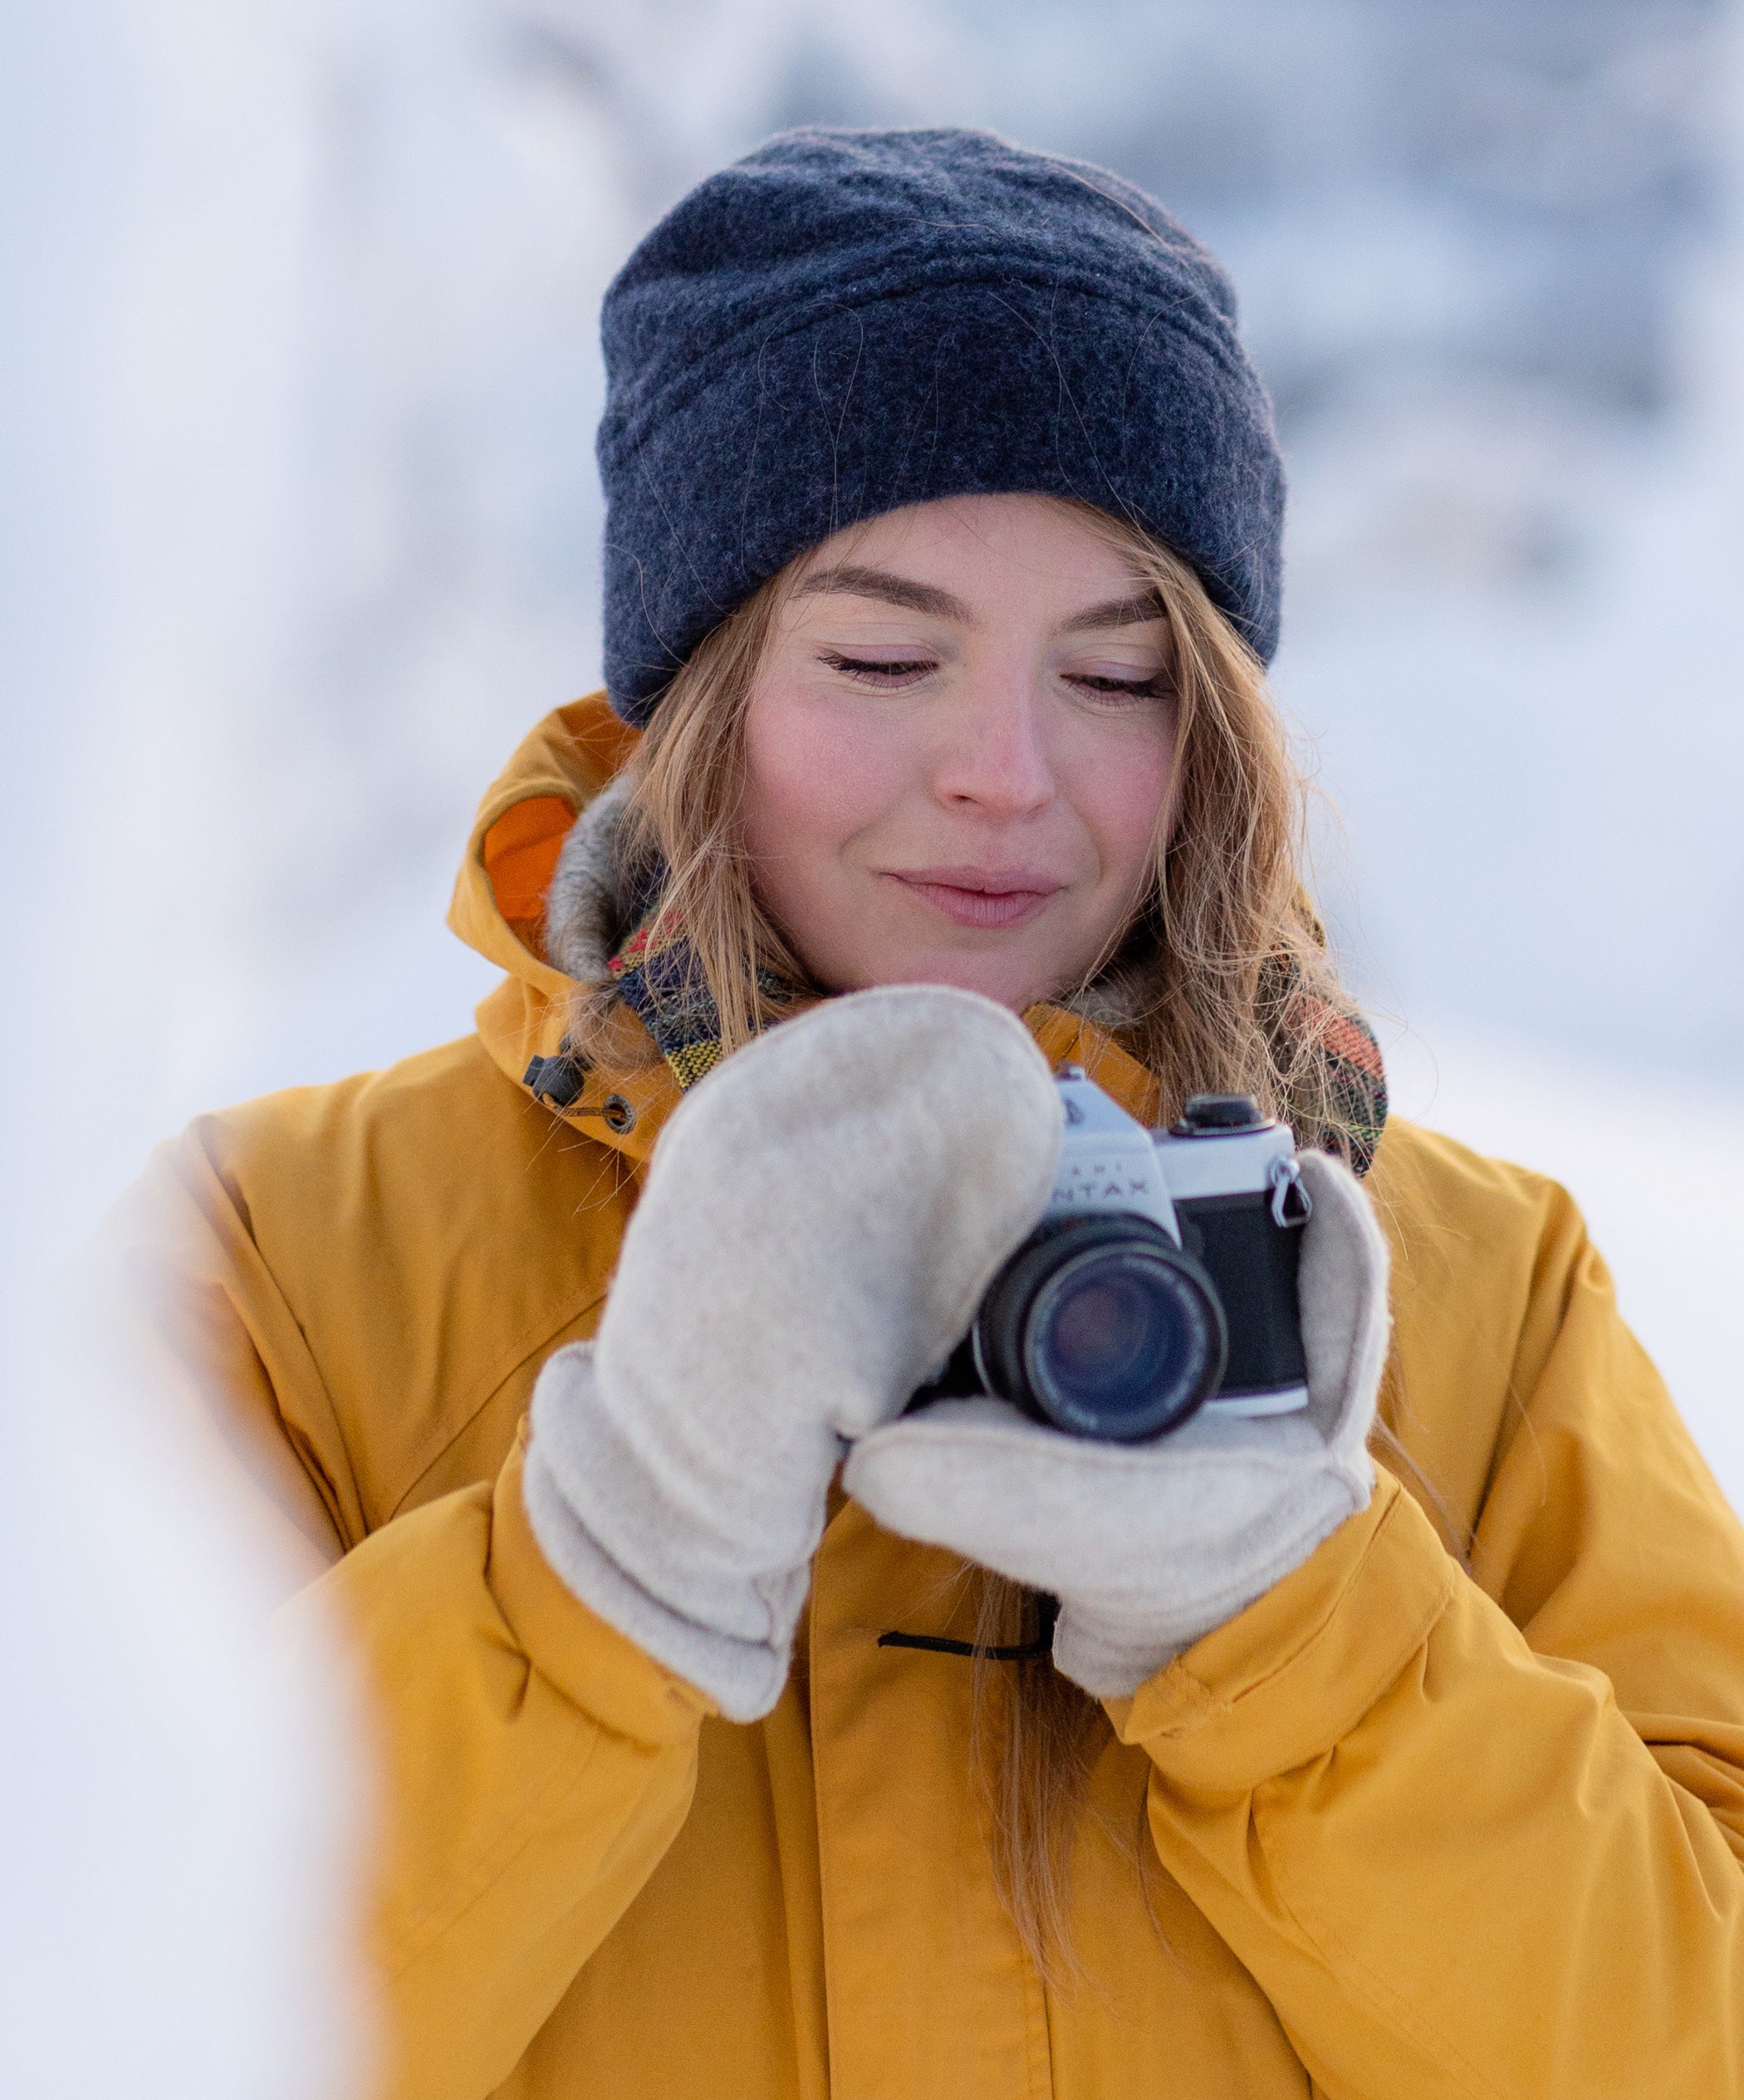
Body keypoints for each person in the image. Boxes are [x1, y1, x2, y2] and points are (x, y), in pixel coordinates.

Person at [110, 129, 1744, 2100]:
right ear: (701, 689)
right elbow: (116, 2006)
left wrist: (1296, 1626)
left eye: (1120, 675)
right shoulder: (287, 1260)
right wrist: (597, 1563)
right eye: (884, 657)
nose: (1002, 773)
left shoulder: (1479, 1296)